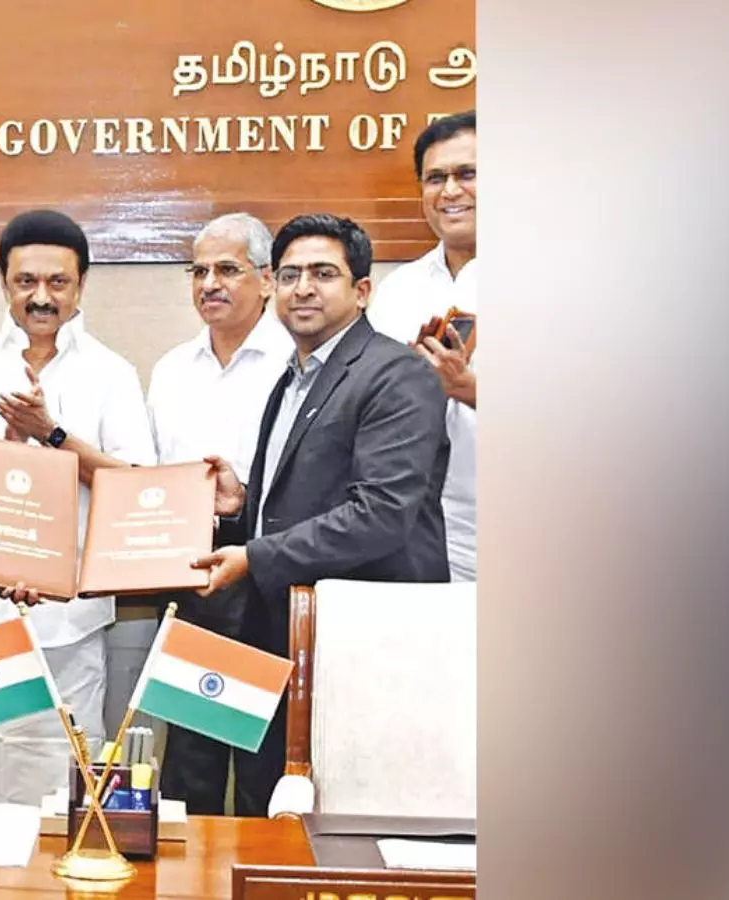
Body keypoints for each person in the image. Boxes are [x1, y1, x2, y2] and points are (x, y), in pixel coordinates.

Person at [192, 214, 452, 806]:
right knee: (272, 808)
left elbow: (381, 513)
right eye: (289, 275)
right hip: (286, 635)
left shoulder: (397, 374)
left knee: (345, 818)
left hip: (359, 643)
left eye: (323, 274)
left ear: (362, 290)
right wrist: (243, 506)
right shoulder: (292, 379)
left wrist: (254, 556)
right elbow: (303, 498)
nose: (303, 288)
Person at [0, 209, 156, 805]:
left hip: (70, 624)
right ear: (4, 283)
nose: (42, 297)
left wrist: (52, 436)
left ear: (81, 285)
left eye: (58, 282)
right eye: (26, 281)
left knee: (63, 787)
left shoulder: (112, 374)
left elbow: (135, 490)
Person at [144, 213, 293, 817]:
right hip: (190, 578)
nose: (210, 284)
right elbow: (150, 479)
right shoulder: (171, 369)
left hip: (267, 576)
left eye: (227, 269)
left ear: (266, 280)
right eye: (198, 271)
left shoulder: (297, 363)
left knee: (264, 770)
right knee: (191, 768)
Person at [366, 110, 478, 580]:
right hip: (415, 537)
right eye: (435, 178)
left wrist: (468, 388)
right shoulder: (398, 290)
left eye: (467, 174)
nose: (449, 191)